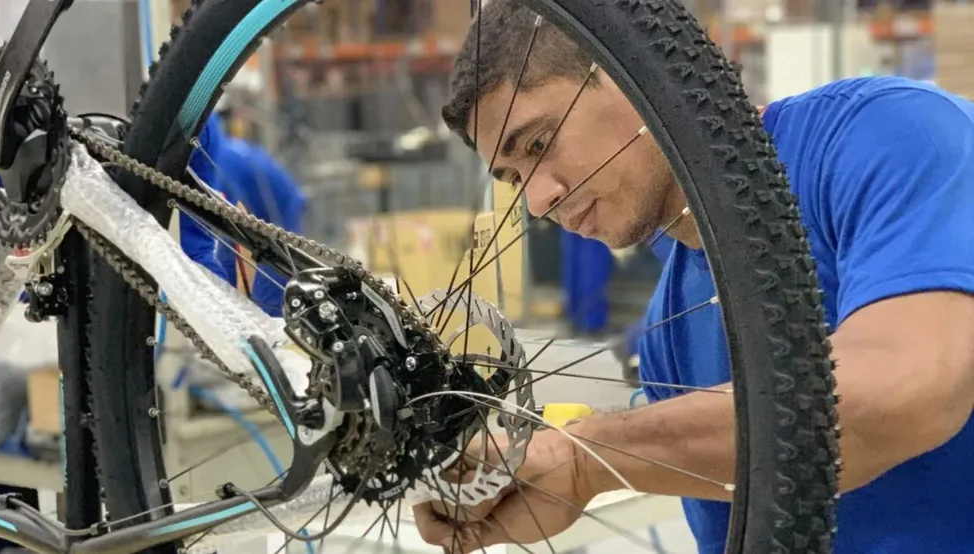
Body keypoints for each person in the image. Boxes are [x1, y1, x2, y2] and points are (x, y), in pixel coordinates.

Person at [413, 1, 974, 553]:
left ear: (627, 71)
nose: (537, 201)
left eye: (539, 144)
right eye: (512, 178)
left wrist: (588, 458)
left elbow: (906, 392)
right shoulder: (668, 339)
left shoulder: (888, 133)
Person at [183, 113, 308, 316]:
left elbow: (229, 221)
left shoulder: (216, 161)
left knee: (275, 271)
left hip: (281, 206)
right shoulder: (218, 148)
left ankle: (273, 326)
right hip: (277, 198)